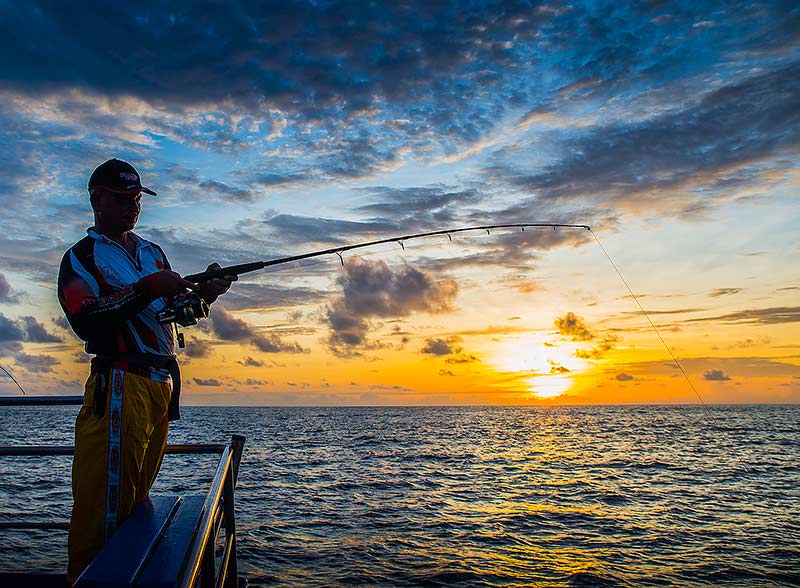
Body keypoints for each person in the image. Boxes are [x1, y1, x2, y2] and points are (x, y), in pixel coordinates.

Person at [57, 158, 236, 582]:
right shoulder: (81, 258)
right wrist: (145, 289)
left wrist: (207, 294)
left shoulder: (153, 253)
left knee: (136, 499)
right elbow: (88, 318)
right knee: (103, 509)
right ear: (96, 200)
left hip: (160, 388)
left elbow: (176, 315)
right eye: (122, 198)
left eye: (137, 198)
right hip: (119, 385)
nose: (132, 206)